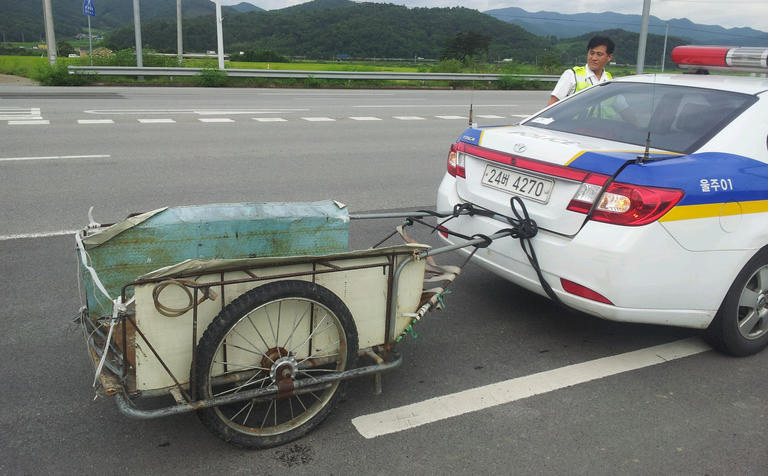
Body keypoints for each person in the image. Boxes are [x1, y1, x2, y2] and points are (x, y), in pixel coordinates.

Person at [547, 36, 615, 106]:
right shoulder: (572, 75)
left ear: (609, 57)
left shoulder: (610, 80)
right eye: (591, 53)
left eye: (599, 54)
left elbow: (620, 107)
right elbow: (552, 105)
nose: (594, 58)